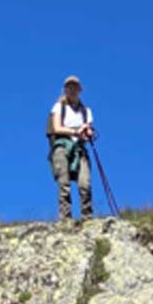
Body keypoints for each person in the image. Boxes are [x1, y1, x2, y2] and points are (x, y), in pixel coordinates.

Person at [48, 75, 96, 221]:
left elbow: (89, 131)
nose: (72, 90)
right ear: (65, 90)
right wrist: (76, 131)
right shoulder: (59, 107)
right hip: (62, 146)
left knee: (85, 184)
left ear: (79, 90)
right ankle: (65, 218)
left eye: (74, 87)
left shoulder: (86, 111)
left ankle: (87, 217)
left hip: (79, 149)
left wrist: (88, 132)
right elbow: (56, 127)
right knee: (64, 183)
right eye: (69, 87)